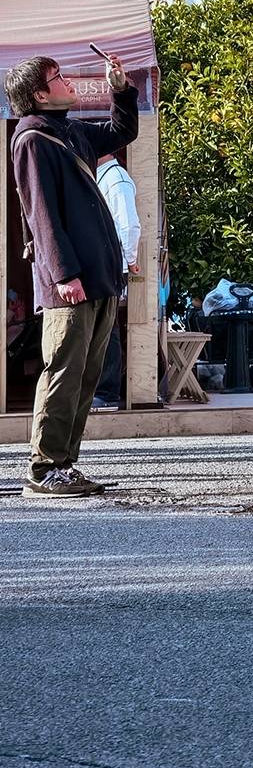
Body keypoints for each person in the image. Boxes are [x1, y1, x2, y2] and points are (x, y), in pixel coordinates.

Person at [6, 52, 138, 497]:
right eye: (57, 78)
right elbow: (41, 213)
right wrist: (63, 273)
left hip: (99, 276)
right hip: (71, 282)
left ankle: (66, 463)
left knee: (86, 374)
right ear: (39, 95)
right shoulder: (32, 140)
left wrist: (120, 89)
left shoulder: (71, 130)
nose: (68, 82)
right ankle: (43, 469)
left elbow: (124, 131)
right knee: (63, 371)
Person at [90, 149, 141, 410]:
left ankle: (108, 392)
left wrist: (130, 260)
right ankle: (100, 390)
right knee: (101, 327)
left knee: (107, 329)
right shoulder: (102, 177)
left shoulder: (116, 178)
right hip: (104, 263)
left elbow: (128, 225)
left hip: (113, 264)